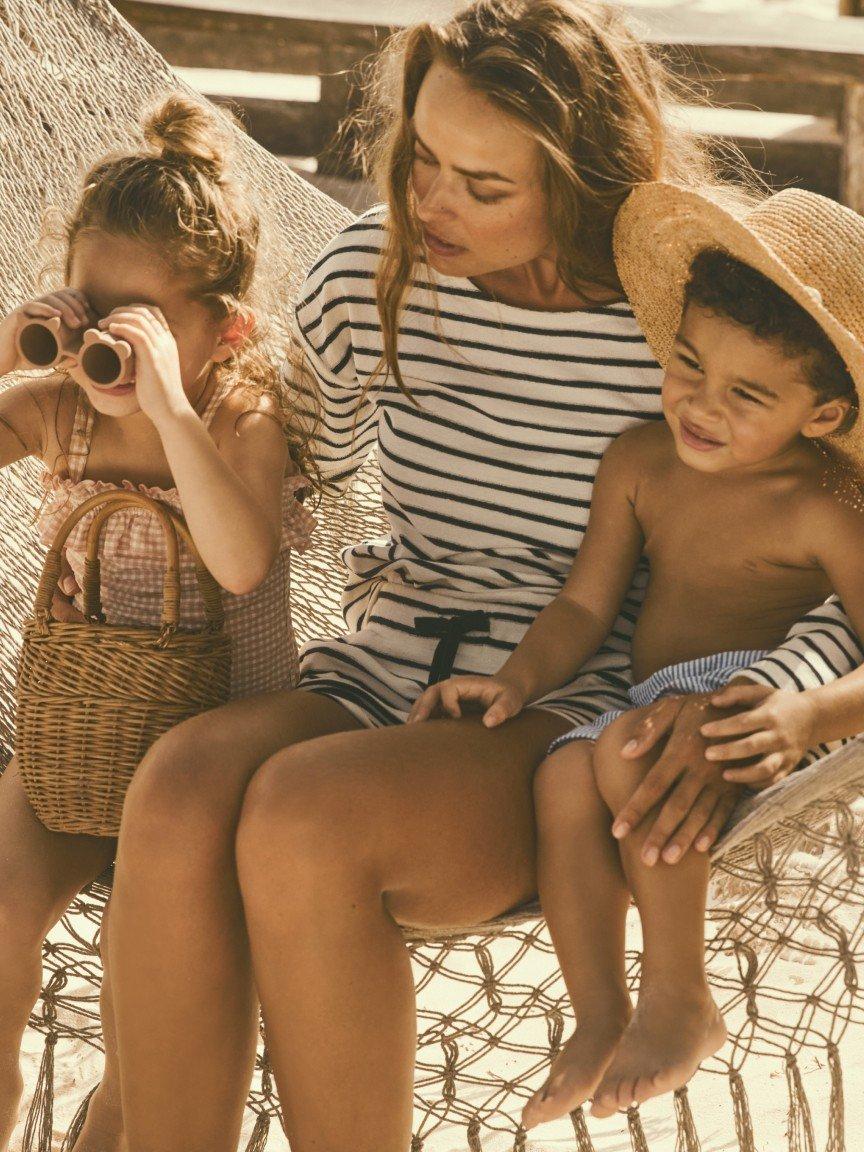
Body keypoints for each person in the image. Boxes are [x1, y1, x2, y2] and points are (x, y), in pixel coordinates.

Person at [105, 5, 862, 1151]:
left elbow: (817, 545)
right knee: (178, 785)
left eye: (483, 185)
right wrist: (122, 400)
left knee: (304, 819)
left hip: (564, 708)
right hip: (381, 662)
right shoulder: (371, 278)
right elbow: (272, 472)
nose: (430, 203)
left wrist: (754, 713)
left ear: (578, 181)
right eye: (420, 159)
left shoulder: (679, 336)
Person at [409, 182, 864, 1127]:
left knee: (618, 756)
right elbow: (583, 604)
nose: (701, 406)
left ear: (821, 417)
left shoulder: (822, 508)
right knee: (562, 780)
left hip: (765, 717)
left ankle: (680, 999)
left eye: (747, 395)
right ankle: (599, 1009)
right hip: (646, 696)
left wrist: (806, 717)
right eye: (689, 367)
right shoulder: (638, 462)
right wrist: (514, 681)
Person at [0, 94, 315, 1152]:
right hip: (77, 747)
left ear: (225, 328)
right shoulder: (59, 404)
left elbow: (239, 560)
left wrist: (172, 406)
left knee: (151, 1038)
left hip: (207, 770)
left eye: (137, 322)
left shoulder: (241, 412)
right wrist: (15, 351)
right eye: (92, 310)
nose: (107, 345)